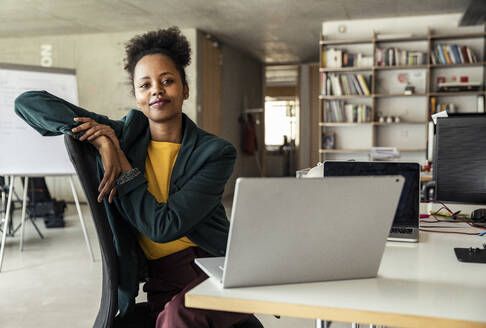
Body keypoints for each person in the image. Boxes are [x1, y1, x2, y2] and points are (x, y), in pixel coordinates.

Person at [15, 27, 257, 328]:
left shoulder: (215, 152)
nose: (156, 89)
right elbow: (27, 103)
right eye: (145, 85)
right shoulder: (123, 135)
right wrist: (105, 142)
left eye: (167, 81)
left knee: (178, 318)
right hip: (162, 281)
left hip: (217, 272)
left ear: (185, 89)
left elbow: (163, 227)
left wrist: (125, 167)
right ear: (138, 97)